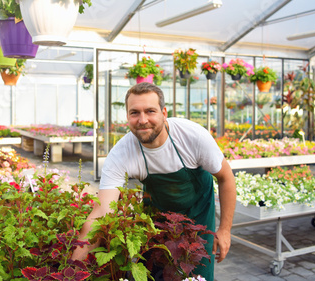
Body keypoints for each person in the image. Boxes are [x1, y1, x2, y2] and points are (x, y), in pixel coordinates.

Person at [71, 82, 236, 280]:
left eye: (150, 111)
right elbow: (101, 213)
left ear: (164, 112)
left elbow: (226, 178)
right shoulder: (122, 153)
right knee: (154, 271)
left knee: (196, 271)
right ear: (127, 117)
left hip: (198, 215)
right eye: (134, 113)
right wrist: (73, 272)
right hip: (157, 218)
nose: (142, 120)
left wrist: (225, 230)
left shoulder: (192, 136)